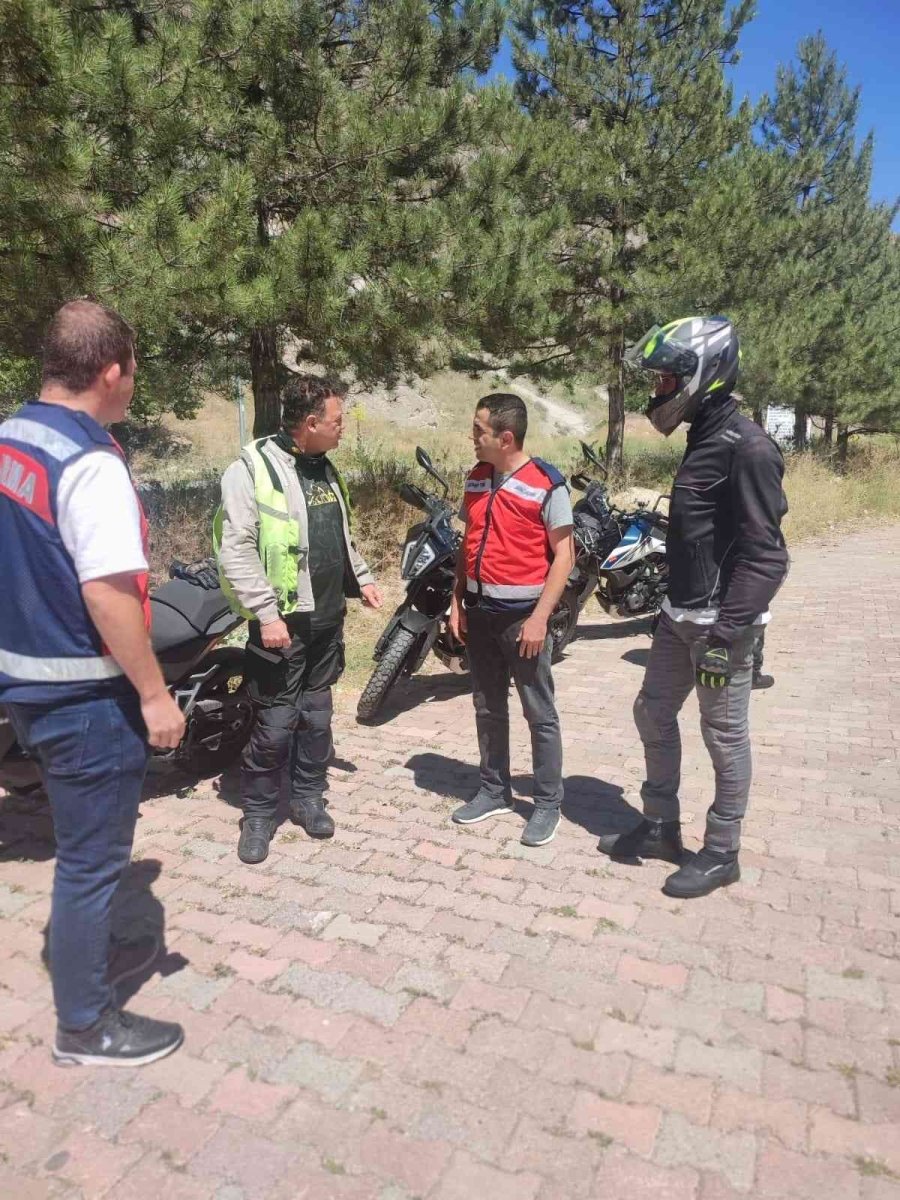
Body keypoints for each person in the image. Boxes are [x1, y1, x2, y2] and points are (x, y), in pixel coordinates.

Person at [0, 300, 186, 1065]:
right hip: (86, 697)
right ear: (111, 371)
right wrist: (153, 694)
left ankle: (90, 958)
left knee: (82, 850)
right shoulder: (89, 461)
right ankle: (85, 1025)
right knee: (90, 861)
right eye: (133, 370)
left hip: (29, 686)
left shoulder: (14, 437)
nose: (134, 384)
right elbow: (108, 595)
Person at [602, 317, 789, 898]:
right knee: (651, 713)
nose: (658, 390)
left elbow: (767, 557)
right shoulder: (702, 435)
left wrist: (727, 634)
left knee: (724, 736)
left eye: (666, 379)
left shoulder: (748, 447)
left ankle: (722, 851)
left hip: (720, 627)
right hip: (678, 615)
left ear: (703, 376)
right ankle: (660, 826)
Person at [215, 374, 382, 865]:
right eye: (337, 420)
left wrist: (362, 577)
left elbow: (339, 533)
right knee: (274, 724)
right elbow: (237, 549)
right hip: (281, 625)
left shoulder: (324, 468)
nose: (343, 427)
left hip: (327, 617)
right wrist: (266, 614)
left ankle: (308, 798)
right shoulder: (250, 471)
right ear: (310, 423)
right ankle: (259, 815)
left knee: (316, 718)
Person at [449, 394, 575, 847]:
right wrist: (457, 600)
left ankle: (547, 804)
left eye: (478, 430)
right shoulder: (476, 477)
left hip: (523, 619)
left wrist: (540, 618)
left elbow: (565, 555)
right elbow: (468, 541)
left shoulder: (547, 484)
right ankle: (493, 791)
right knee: (487, 706)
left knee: (538, 712)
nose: (472, 437)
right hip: (480, 613)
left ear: (505, 437)